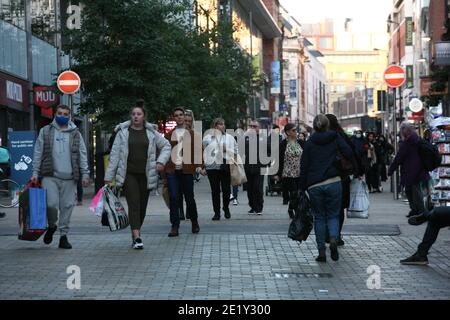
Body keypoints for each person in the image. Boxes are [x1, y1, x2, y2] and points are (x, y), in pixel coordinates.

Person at [105, 100, 171, 249]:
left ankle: (135, 231)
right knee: (134, 203)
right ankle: (137, 237)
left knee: (142, 207)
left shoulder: (151, 133)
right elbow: (114, 155)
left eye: (139, 114)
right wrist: (108, 177)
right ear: (131, 116)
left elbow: (166, 146)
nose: (136, 117)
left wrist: (161, 162)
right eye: (133, 114)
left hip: (147, 175)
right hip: (128, 174)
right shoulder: (123, 133)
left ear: (144, 116)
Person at [31, 104, 90, 249]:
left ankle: (63, 236)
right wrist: (35, 172)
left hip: (70, 178)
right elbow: (38, 153)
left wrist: (85, 174)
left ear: (69, 116)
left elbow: (82, 154)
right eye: (59, 113)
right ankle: (52, 226)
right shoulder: (45, 131)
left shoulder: (76, 133)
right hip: (49, 175)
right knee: (51, 205)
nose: (62, 116)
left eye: (65, 114)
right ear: (54, 114)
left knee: (67, 206)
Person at [299, 114, 352, 262]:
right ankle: (334, 239)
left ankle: (321, 252)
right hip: (334, 181)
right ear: (327, 125)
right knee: (333, 215)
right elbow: (348, 152)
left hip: (314, 184)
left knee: (319, 217)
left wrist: (302, 187)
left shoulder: (309, 143)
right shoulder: (335, 138)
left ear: (315, 126)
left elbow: (304, 165)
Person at [165, 107, 204, 237]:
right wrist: (163, 170)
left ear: (184, 117)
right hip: (172, 171)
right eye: (176, 115)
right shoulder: (169, 135)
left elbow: (199, 152)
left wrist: (199, 166)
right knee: (174, 198)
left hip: (187, 171)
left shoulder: (193, 135)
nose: (179, 117)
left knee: (189, 198)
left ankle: (194, 221)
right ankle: (174, 226)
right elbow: (164, 153)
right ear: (174, 118)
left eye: (181, 115)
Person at [325, 114, 363, 246]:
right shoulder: (341, 136)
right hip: (342, 176)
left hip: (324, 177)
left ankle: (327, 234)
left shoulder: (319, 137)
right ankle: (336, 235)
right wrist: (357, 171)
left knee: (327, 207)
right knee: (339, 208)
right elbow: (351, 153)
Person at [388, 122, 430, 218]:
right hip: (420, 171)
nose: (401, 133)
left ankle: (421, 212)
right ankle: (416, 210)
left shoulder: (407, 143)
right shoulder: (419, 140)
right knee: (412, 191)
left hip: (411, 172)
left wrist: (391, 170)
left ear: (405, 131)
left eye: (402, 130)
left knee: (414, 192)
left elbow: (399, 158)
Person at [203, 118, 238, 220]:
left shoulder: (230, 138)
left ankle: (226, 207)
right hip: (212, 167)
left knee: (226, 190)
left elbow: (236, 151)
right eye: (220, 124)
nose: (223, 126)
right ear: (215, 126)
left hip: (225, 165)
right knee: (215, 191)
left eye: (224, 124)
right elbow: (205, 152)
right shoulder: (207, 138)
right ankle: (216, 212)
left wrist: (227, 149)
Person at [275, 123, 302, 219]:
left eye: (296, 130)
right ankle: (295, 212)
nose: (296, 132)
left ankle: (291, 208)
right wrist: (277, 174)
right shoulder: (283, 144)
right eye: (293, 130)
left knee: (298, 193)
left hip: (299, 173)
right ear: (288, 132)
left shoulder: (300, 142)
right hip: (288, 173)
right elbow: (278, 159)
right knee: (294, 192)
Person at [244, 120, 271, 215]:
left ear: (259, 128)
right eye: (251, 126)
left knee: (258, 188)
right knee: (249, 188)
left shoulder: (263, 138)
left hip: (259, 167)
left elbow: (269, 151)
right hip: (248, 167)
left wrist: (266, 162)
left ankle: (259, 207)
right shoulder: (246, 137)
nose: (252, 128)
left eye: (254, 126)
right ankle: (252, 206)